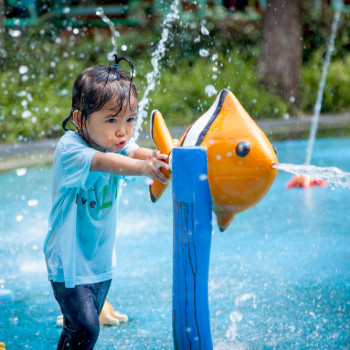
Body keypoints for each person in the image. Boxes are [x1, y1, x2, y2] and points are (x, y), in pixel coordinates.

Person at [43, 54, 170, 349]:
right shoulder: (71, 149)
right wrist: (145, 168)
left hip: (99, 261)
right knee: (87, 329)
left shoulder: (116, 141)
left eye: (129, 119)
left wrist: (157, 157)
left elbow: (136, 152)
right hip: (69, 263)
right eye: (111, 120)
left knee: (78, 330)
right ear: (79, 119)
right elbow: (105, 162)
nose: (122, 130)